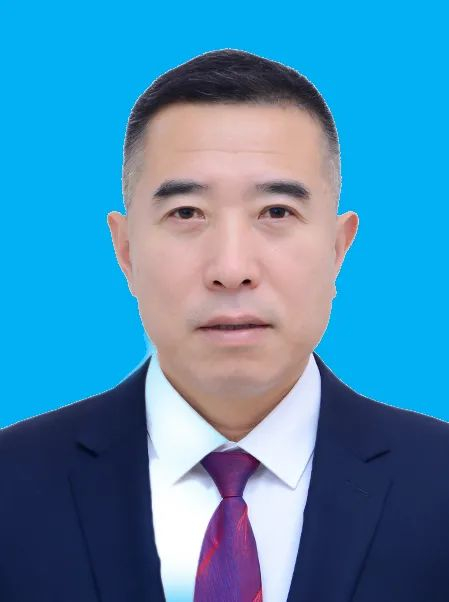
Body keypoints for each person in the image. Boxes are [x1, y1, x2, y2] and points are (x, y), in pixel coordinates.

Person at [1, 48, 448, 602]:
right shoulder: (11, 485)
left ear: (338, 248)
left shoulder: (440, 484)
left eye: (276, 212)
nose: (232, 269)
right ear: (126, 250)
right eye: (186, 213)